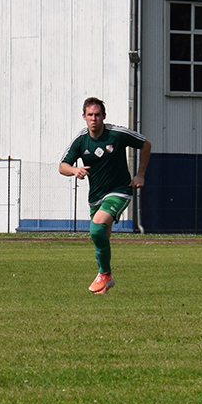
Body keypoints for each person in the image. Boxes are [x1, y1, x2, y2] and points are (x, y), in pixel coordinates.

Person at [59, 96, 151, 294]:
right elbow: (62, 166)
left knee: (96, 228)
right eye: (90, 115)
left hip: (120, 190)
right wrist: (74, 170)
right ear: (84, 116)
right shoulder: (81, 140)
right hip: (96, 196)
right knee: (101, 236)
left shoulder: (116, 134)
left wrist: (140, 175)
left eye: (97, 115)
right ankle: (106, 280)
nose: (94, 119)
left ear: (104, 116)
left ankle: (104, 274)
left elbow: (145, 144)